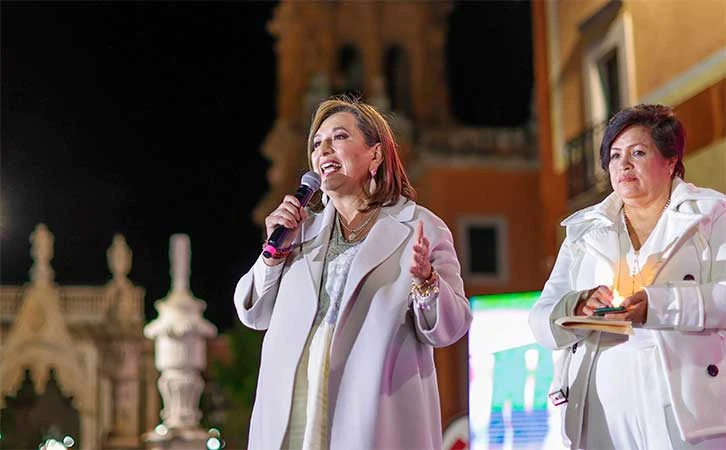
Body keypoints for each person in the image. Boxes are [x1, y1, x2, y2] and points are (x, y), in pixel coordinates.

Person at [234, 95, 472, 450]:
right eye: (317, 143)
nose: (324, 149)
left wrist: (427, 283)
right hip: (294, 409)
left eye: (339, 137)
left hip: (371, 414)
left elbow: (450, 328)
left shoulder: (418, 226)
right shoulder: (300, 231)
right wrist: (274, 255)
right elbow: (254, 313)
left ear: (375, 155)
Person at [529, 103, 726, 449]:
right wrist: (577, 307)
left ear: (670, 161)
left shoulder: (710, 215)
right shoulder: (584, 232)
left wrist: (657, 306)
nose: (624, 165)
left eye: (638, 152)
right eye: (615, 155)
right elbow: (540, 319)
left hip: (685, 407)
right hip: (600, 412)